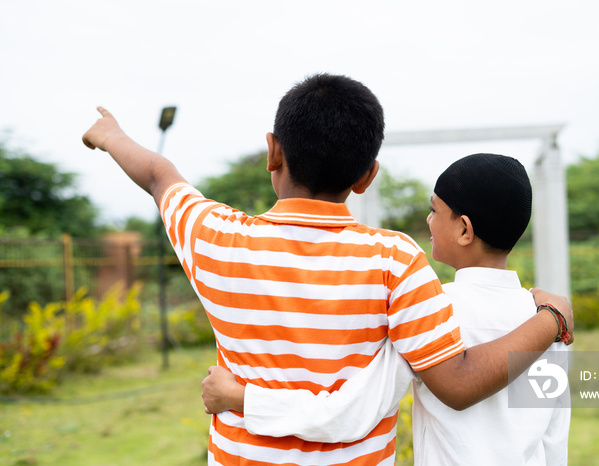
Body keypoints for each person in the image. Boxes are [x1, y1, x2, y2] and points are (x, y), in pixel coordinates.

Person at [82, 73, 573, 466]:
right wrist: (552, 319)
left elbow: (158, 176)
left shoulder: (215, 237)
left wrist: (111, 136)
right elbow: (458, 381)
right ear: (367, 176)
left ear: (273, 151)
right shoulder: (396, 260)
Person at [201, 153, 571, 465]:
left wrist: (239, 396)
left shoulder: (430, 310)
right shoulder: (547, 319)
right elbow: (554, 438)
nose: (427, 220)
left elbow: (349, 414)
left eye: (434, 210)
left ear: (464, 230)